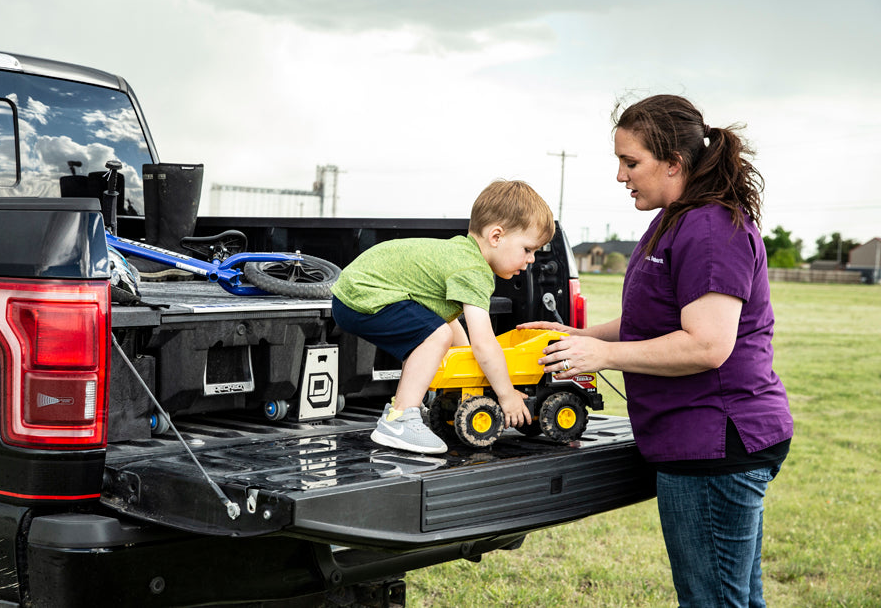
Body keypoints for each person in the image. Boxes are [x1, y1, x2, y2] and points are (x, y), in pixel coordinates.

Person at [522, 94, 793, 608]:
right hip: (700, 440)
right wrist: (580, 338)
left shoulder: (712, 229)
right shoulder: (674, 220)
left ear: (674, 163)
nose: (621, 177)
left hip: (715, 443)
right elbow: (655, 321)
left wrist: (604, 358)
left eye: (631, 162)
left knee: (712, 601)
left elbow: (708, 345)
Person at [331, 179, 555, 454]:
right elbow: (484, 345)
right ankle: (400, 417)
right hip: (363, 295)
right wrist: (506, 395)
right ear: (496, 237)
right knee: (437, 336)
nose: (531, 259)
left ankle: (407, 407)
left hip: (353, 294)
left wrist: (468, 378)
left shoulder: (459, 254)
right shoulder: (474, 270)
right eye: (527, 249)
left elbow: (455, 333)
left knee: (440, 332)